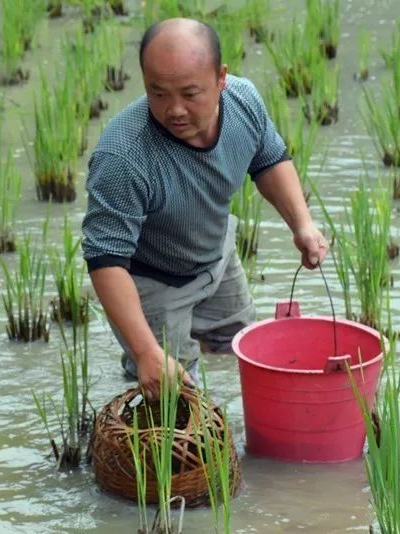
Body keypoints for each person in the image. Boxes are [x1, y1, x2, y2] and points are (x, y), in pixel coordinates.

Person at [82, 18, 328, 399]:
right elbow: (105, 259)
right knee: (170, 394)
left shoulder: (244, 101)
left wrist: (303, 225)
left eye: (189, 93)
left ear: (221, 78)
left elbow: (270, 159)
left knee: (239, 345)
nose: (174, 109)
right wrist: (147, 352)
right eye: (158, 93)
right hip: (153, 281)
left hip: (216, 255)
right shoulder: (123, 155)